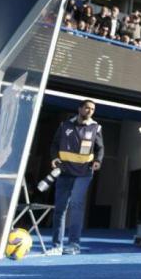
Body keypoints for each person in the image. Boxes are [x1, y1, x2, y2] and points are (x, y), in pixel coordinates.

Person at [49, 100, 104, 256]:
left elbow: (100, 148)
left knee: (76, 205)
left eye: (92, 109)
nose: (89, 111)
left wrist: (98, 161)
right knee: (60, 208)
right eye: (87, 107)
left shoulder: (96, 127)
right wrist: (54, 157)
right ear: (79, 108)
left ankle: (74, 244)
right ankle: (56, 245)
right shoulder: (64, 125)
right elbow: (54, 144)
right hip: (65, 171)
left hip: (84, 172)